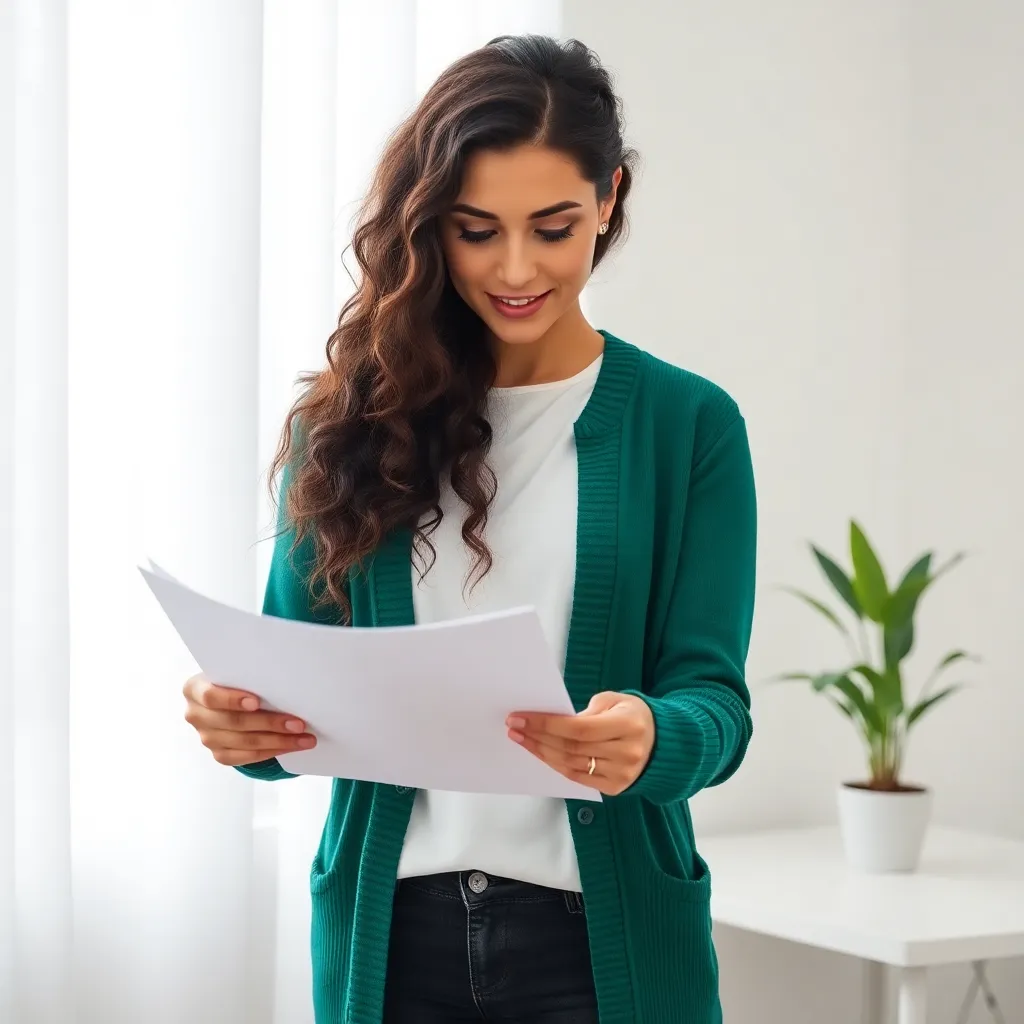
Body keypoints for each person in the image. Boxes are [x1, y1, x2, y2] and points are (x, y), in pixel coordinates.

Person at [183, 34, 756, 1024]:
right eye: (476, 229)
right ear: (431, 229)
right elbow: (290, 703)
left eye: (554, 225)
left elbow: (715, 702)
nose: (518, 267)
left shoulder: (687, 423)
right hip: (392, 939)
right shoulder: (347, 423)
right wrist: (239, 722)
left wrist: (656, 735)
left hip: (596, 944)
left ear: (609, 198)